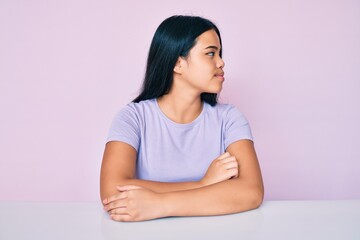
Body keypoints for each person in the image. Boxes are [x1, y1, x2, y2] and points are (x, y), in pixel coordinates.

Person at [100, 15, 264, 222]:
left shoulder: (229, 118)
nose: (221, 62)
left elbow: (251, 191)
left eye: (220, 54)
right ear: (178, 63)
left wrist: (160, 204)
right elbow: (112, 191)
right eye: (210, 53)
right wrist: (203, 185)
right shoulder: (132, 118)